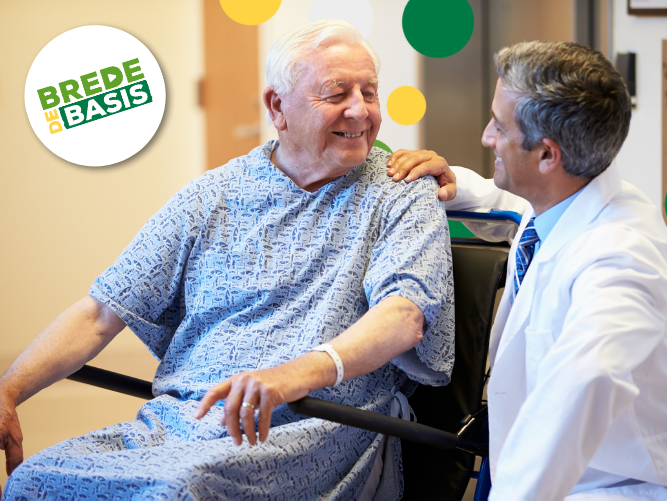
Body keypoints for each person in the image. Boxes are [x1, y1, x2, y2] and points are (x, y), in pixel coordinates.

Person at [0, 20, 454, 500]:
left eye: (370, 92)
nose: (360, 110)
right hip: (180, 422)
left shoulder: (401, 191)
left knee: (175, 491)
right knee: (34, 479)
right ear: (277, 107)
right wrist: (9, 390)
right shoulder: (213, 195)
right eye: (336, 94)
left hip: (309, 427)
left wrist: (289, 377)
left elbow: (404, 317)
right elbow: (101, 312)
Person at [387, 41, 667, 500]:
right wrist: (448, 186)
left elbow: (582, 388)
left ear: (547, 156)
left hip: (636, 486)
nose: (486, 136)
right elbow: (509, 206)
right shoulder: (566, 196)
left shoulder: (625, 261)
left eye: (499, 125)